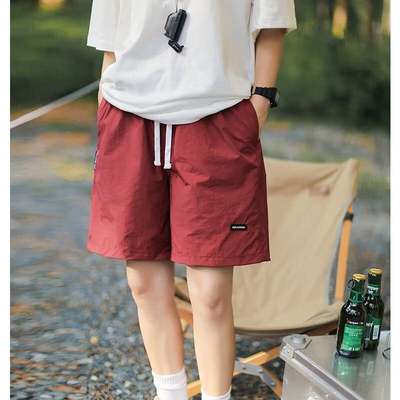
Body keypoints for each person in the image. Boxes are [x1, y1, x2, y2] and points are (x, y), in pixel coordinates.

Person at [86, 1, 296, 399]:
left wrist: (261, 102)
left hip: (217, 115)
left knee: (211, 291)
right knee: (143, 281)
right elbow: (110, 37)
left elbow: (273, 23)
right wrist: (105, 109)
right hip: (128, 114)